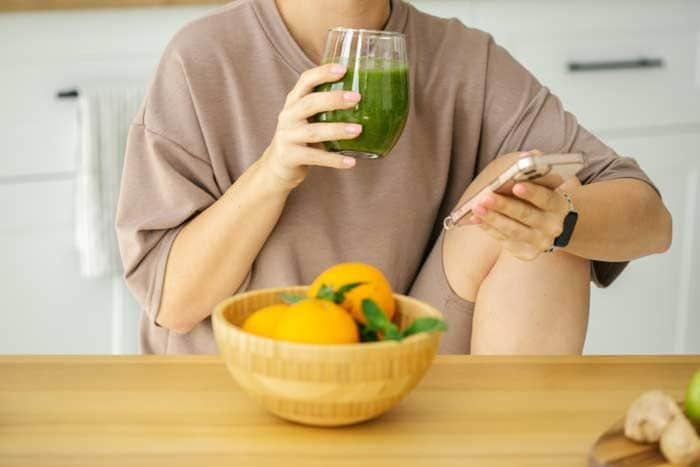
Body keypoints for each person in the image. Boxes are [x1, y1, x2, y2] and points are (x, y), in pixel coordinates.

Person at [115, 0, 671, 355]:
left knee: (533, 201)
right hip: (250, 378)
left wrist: (561, 222)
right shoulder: (203, 58)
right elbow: (173, 305)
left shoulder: (464, 58)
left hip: (404, 378)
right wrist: (272, 172)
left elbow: (652, 221)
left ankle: (514, 444)